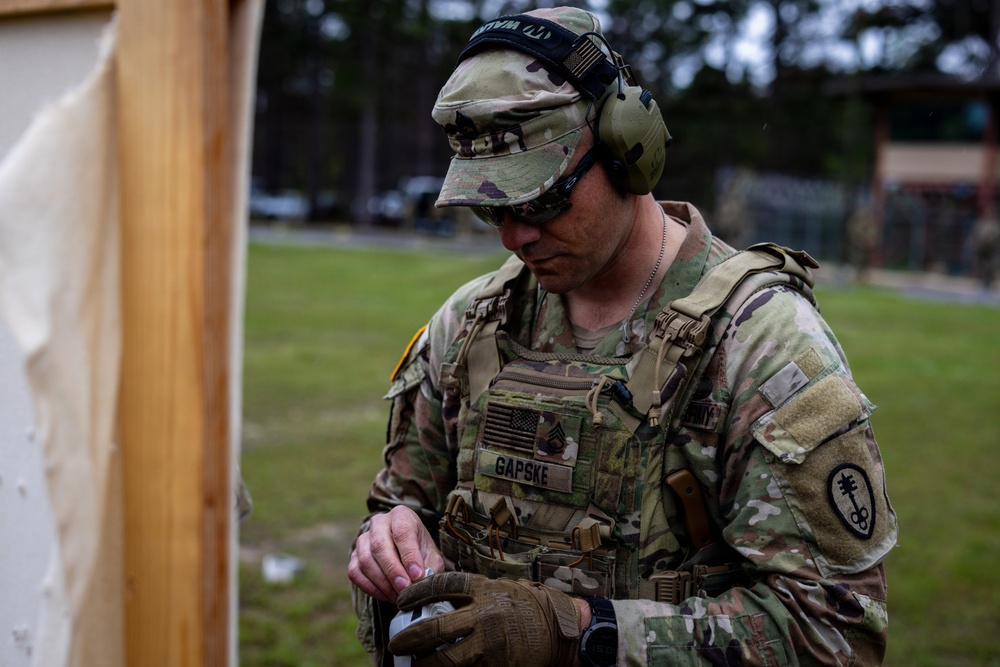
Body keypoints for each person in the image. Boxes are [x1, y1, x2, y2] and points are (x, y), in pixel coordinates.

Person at [348, 7, 897, 666]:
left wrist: (581, 632)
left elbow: (836, 630)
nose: (515, 236)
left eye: (542, 199)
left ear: (627, 149)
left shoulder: (760, 345)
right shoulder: (470, 324)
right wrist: (390, 539)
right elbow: (397, 503)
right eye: (492, 208)